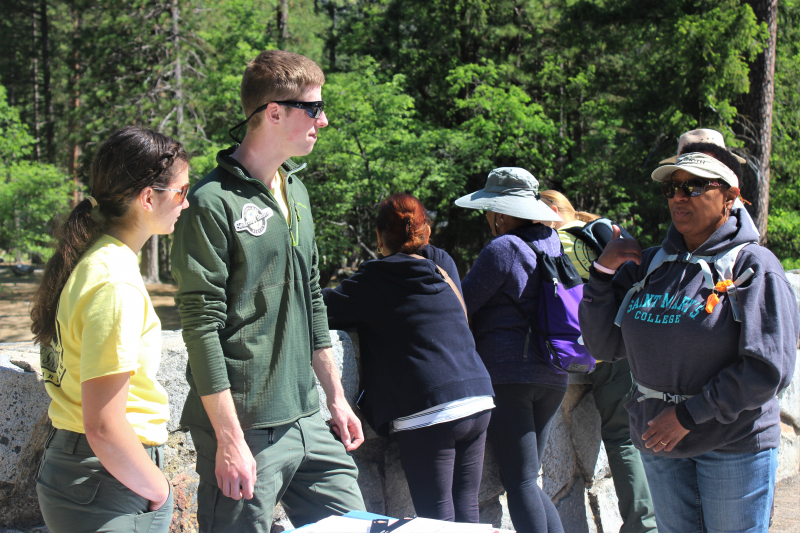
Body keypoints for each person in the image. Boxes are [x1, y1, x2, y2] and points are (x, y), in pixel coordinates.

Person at [170, 50, 365, 532]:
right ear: (273, 111)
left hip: (307, 417)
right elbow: (200, 327)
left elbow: (312, 297)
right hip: (246, 426)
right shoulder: (209, 202)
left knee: (357, 524)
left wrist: (335, 398)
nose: (324, 119)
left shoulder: (296, 191)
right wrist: (229, 438)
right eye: (314, 108)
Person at [578, 149, 799, 533]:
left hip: (731, 444)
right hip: (660, 444)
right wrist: (600, 276)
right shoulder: (648, 266)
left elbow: (767, 370)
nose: (679, 197)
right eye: (672, 188)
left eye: (694, 187)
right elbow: (604, 346)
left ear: (729, 198)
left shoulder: (754, 267)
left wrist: (686, 416)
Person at [29, 126, 190, 533]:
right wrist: (160, 489)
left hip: (84, 472)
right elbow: (103, 425)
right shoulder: (115, 281)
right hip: (106, 480)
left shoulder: (93, 259)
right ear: (148, 197)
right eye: (182, 192)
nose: (185, 204)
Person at [322, 193, 494, 522]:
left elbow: (321, 309)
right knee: (467, 510)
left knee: (437, 519)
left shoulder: (374, 279)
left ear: (378, 235)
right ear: (424, 230)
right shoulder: (442, 265)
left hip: (429, 409)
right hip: (478, 396)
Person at [456, 167, 566, 533]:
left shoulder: (502, 249)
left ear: (501, 214)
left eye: (488, 211)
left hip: (509, 375)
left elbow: (462, 305)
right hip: (553, 373)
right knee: (529, 480)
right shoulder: (552, 244)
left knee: (519, 482)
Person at [540, 190, 658, 533]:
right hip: (639, 335)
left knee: (622, 435)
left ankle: (643, 525)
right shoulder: (597, 232)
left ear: (549, 211)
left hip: (601, 346)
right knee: (647, 429)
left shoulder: (555, 240)